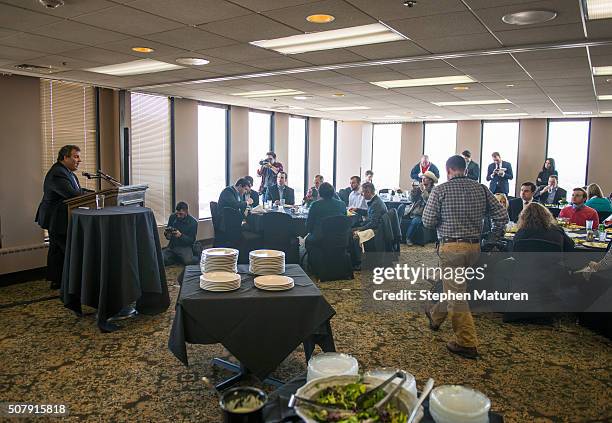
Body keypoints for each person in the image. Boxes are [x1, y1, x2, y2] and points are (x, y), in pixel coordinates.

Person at [422, 155, 508, 359]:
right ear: (465, 169)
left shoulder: (440, 189)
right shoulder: (481, 189)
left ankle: (466, 342)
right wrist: (492, 235)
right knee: (455, 286)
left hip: (451, 247)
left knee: (455, 295)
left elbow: (427, 221)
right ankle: (435, 317)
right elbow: (502, 216)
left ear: (448, 169)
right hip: (474, 247)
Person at [36, 145, 87, 289]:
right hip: (56, 218)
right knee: (66, 249)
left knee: (57, 249)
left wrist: (95, 192)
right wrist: (93, 196)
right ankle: (70, 282)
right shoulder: (58, 173)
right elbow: (72, 195)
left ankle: (57, 280)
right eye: (76, 156)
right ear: (65, 157)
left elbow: (78, 190)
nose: (79, 160)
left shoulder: (67, 172)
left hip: (58, 217)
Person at [305, 182, 347, 250]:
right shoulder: (342, 204)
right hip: (339, 238)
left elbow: (308, 226)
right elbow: (343, 221)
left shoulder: (315, 205)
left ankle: (312, 258)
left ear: (320, 193)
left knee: (307, 240)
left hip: (320, 239)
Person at [404, 170, 437, 245]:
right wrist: (413, 191)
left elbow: (429, 202)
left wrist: (423, 191)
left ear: (431, 180)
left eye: (425, 178)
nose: (423, 179)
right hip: (413, 210)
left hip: (425, 213)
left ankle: (408, 238)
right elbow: (411, 200)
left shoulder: (434, 190)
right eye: (422, 178)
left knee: (416, 220)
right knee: (400, 214)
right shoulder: (420, 188)